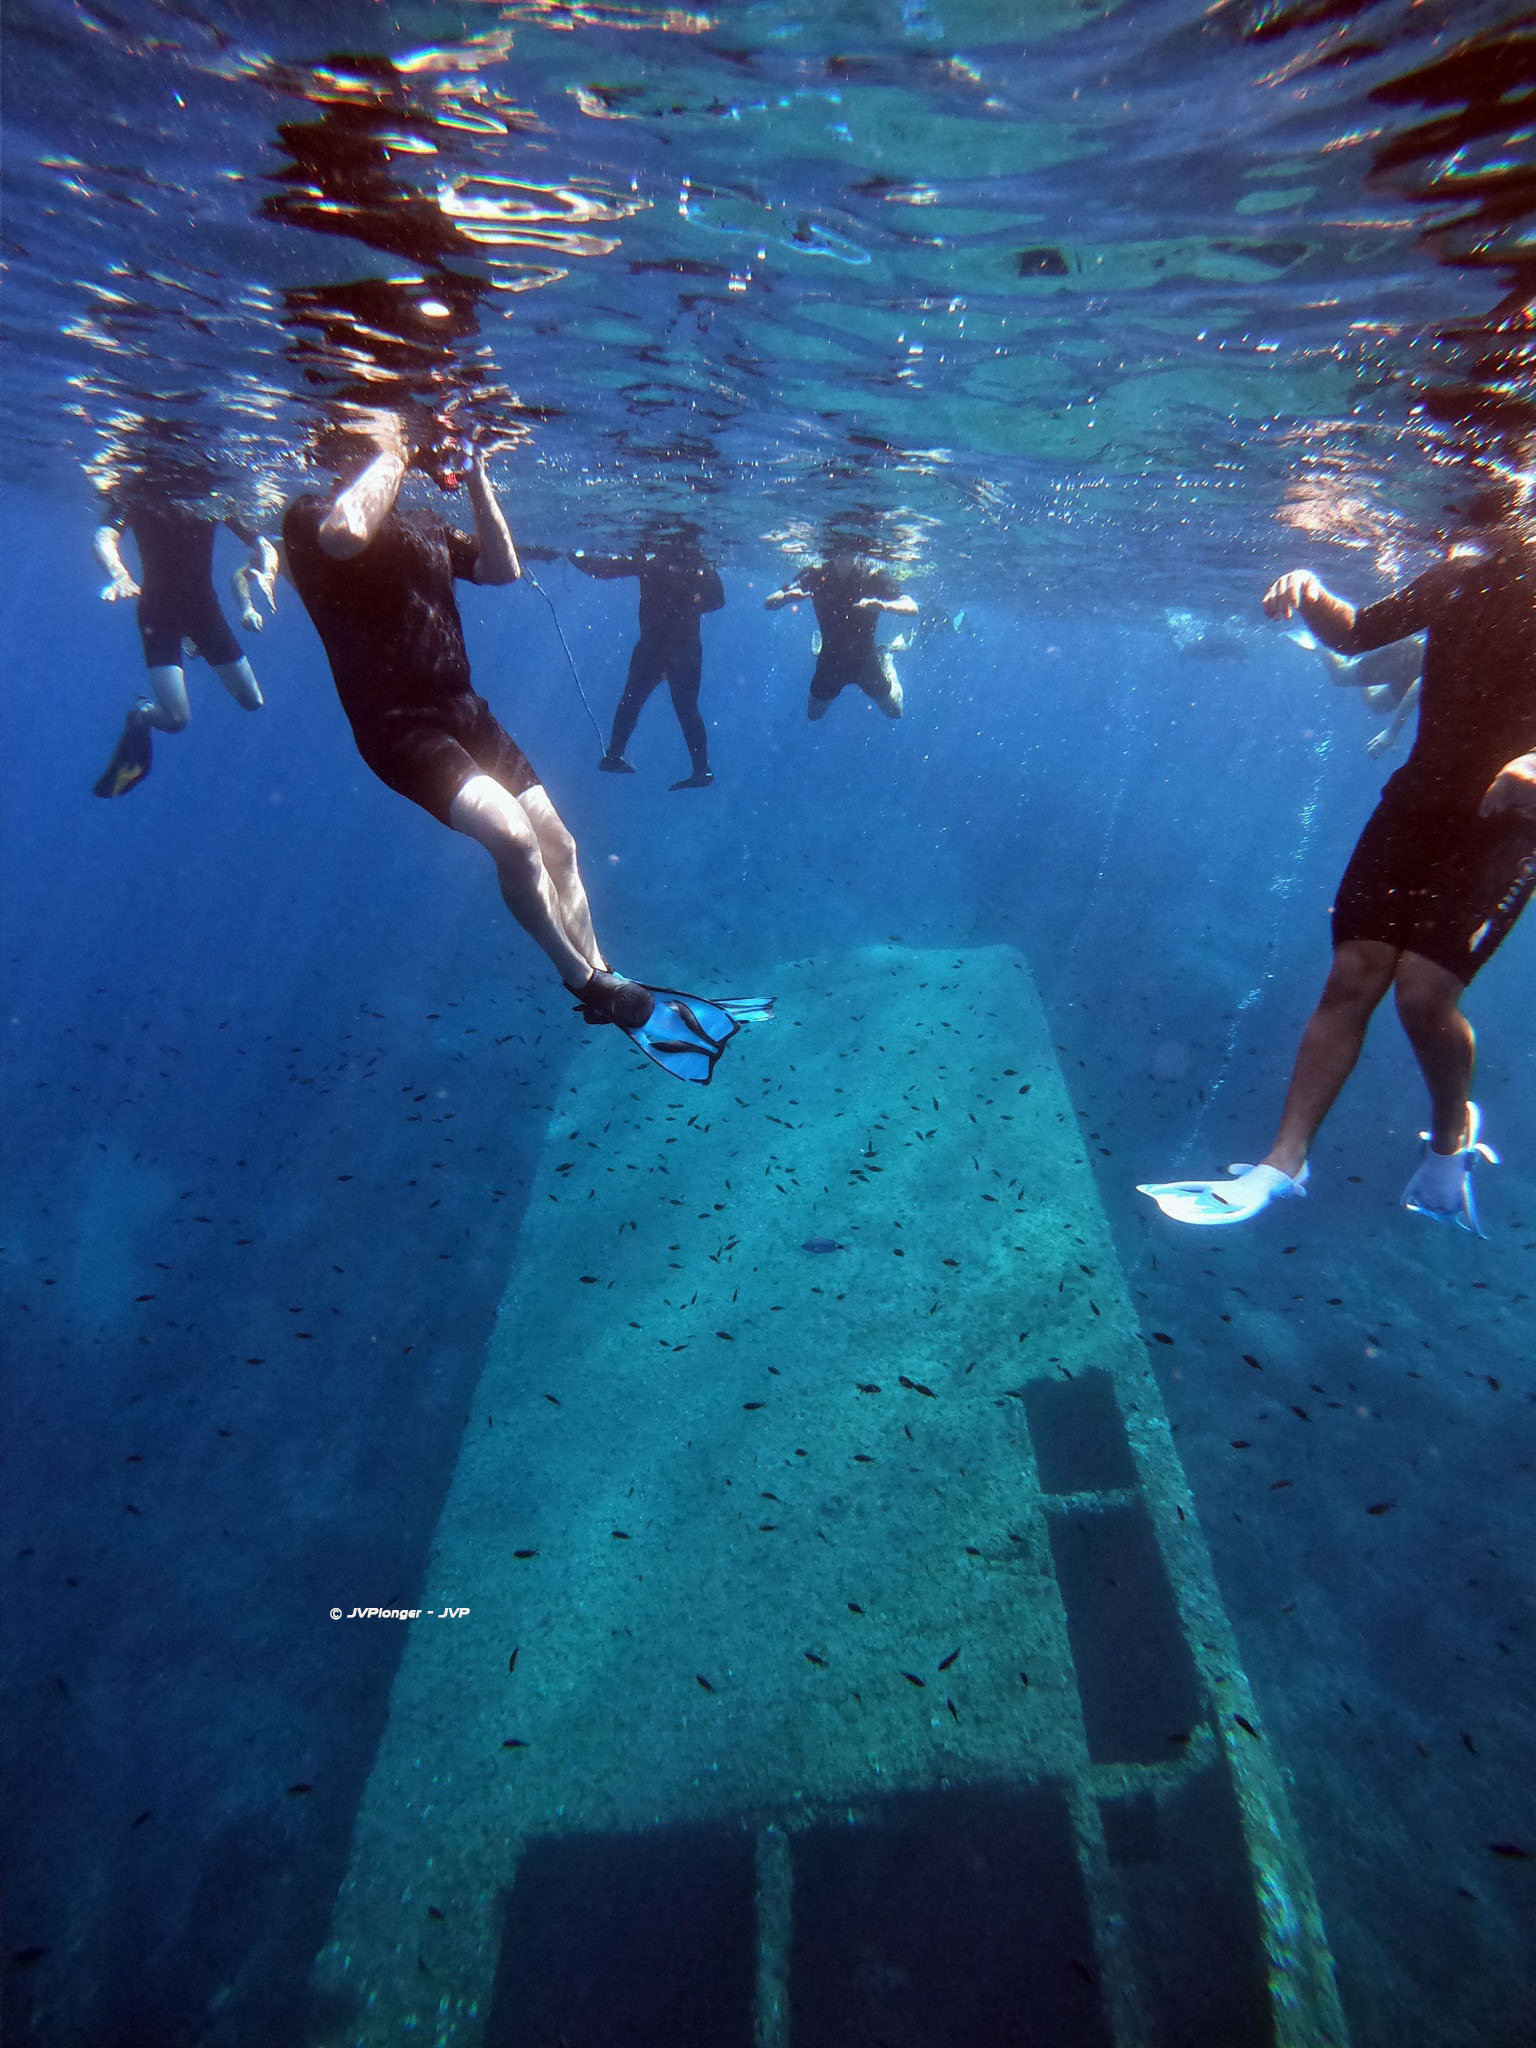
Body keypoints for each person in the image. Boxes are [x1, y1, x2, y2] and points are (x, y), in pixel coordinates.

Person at [279, 414, 774, 1080]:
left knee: (561, 844)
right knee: (512, 838)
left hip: (464, 710)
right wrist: (396, 447)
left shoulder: (424, 523)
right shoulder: (311, 516)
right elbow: (348, 533)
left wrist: (477, 472)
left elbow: (501, 568)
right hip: (397, 725)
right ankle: (583, 983)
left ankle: (605, 969)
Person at [1139, 482, 1536, 1233]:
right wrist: (1314, 595)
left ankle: (1453, 1141)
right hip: (1416, 801)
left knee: (1422, 993)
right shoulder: (1459, 573)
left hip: (1508, 825)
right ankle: (1283, 1162)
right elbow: (1358, 633)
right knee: (1353, 973)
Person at [92, 489, 276, 798]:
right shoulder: (139, 494)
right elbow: (103, 536)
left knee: (253, 701)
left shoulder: (217, 495)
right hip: (158, 612)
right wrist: (119, 574)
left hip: (204, 611)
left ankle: (194, 642)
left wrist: (267, 572)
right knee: (176, 720)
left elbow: (263, 544)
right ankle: (141, 714)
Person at [568, 529, 724, 788]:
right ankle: (700, 770)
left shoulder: (652, 559)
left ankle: (615, 755)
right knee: (684, 708)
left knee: (632, 700)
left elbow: (602, 569)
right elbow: (718, 600)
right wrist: (692, 602)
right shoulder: (697, 564)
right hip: (682, 649)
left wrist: (573, 554)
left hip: (654, 647)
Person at [764, 547, 917, 721]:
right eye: (838, 550)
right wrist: (785, 598)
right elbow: (768, 603)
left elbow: (912, 607)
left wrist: (886, 606)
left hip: (865, 660)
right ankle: (822, 649)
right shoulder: (815, 574)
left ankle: (886, 657)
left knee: (895, 712)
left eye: (847, 549)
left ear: (855, 552)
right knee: (813, 715)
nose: (842, 556)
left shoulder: (873, 575)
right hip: (831, 660)